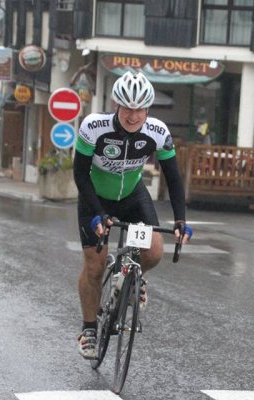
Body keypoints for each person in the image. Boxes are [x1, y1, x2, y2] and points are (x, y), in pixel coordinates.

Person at [73, 71, 191, 360]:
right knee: (94, 266)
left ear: (147, 108)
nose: (133, 115)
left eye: (139, 109)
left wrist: (180, 220)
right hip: (95, 197)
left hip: (132, 196)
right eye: (128, 108)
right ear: (117, 105)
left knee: (154, 252)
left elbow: (173, 178)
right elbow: (80, 174)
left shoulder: (157, 132)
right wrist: (98, 214)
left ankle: (133, 277)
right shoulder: (94, 127)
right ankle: (89, 329)